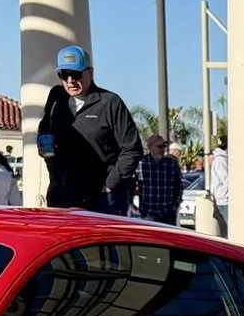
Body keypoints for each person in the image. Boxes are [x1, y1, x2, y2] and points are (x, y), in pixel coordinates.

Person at [38, 45, 140, 213]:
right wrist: (46, 151)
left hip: (102, 200)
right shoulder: (56, 103)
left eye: (76, 74)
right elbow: (44, 135)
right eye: (64, 75)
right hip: (62, 197)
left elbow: (132, 149)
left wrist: (111, 184)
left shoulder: (110, 103)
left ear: (90, 73)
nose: (70, 81)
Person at [133, 134, 182, 224]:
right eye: (159, 146)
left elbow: (179, 186)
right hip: (148, 213)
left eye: (164, 146)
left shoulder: (171, 164)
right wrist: (132, 205)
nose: (163, 149)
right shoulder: (141, 163)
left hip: (168, 214)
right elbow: (131, 184)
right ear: (150, 147)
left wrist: (175, 206)